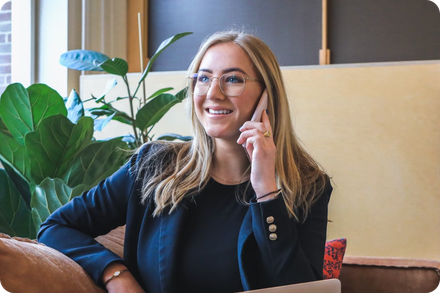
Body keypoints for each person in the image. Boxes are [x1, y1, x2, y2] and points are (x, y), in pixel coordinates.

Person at [38, 30, 332, 293]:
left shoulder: (308, 186)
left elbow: (301, 288)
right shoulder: (153, 166)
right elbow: (56, 227)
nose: (213, 94)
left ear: (267, 95)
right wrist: (116, 274)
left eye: (232, 79)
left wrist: (267, 190)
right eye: (203, 78)